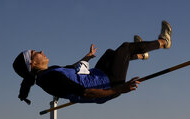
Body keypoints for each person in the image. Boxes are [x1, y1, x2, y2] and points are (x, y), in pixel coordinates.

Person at [13, 21, 172, 105]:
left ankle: (142, 55)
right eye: (35, 53)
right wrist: (119, 89)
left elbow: (72, 68)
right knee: (125, 48)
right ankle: (164, 41)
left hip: (98, 76)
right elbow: (86, 93)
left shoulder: (50, 72)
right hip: (108, 84)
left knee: (111, 53)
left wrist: (87, 57)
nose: (41, 52)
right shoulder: (50, 79)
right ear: (32, 64)